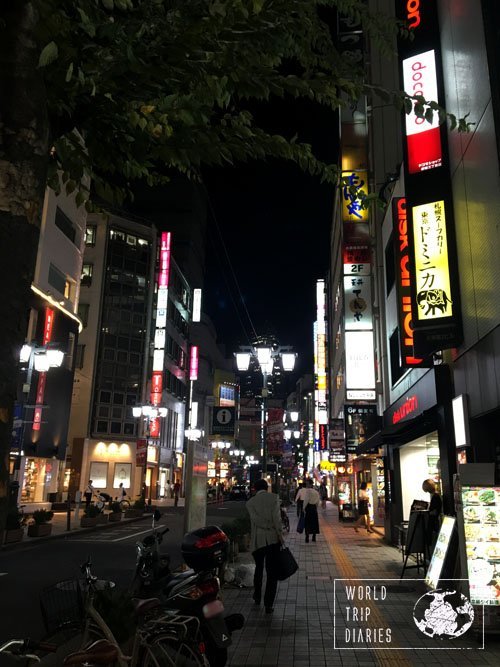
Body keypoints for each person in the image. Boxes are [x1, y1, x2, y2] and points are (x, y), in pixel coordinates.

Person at [246, 478, 284, 613]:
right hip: (272, 539)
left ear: (255, 489)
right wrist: (278, 532)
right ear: (267, 487)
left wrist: (264, 525)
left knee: (259, 568)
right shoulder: (274, 498)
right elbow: (277, 519)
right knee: (271, 571)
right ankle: (269, 604)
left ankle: (257, 596)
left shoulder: (250, 502)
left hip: (258, 540)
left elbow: (254, 520)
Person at [422, 478, 442, 548]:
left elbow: (435, 511)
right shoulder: (436, 496)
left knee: (432, 540)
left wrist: (428, 512)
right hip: (435, 522)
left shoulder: (435, 497)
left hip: (434, 522)